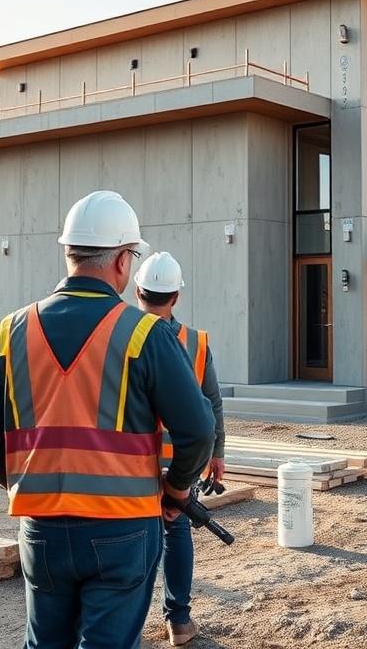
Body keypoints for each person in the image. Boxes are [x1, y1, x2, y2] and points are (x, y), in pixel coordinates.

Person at [0, 190, 216, 649]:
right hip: (122, 525)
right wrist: (178, 490)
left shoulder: (11, 330)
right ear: (122, 261)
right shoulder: (145, 333)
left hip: (41, 527)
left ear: (69, 253)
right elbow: (198, 429)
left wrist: (28, 483)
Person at [133, 251, 225, 647]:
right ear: (176, 296)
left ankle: (128, 624)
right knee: (176, 532)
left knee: (134, 540)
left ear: (137, 291)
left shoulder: (119, 336)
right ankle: (180, 621)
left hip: (130, 463)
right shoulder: (195, 342)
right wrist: (217, 452)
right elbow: (212, 401)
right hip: (181, 463)